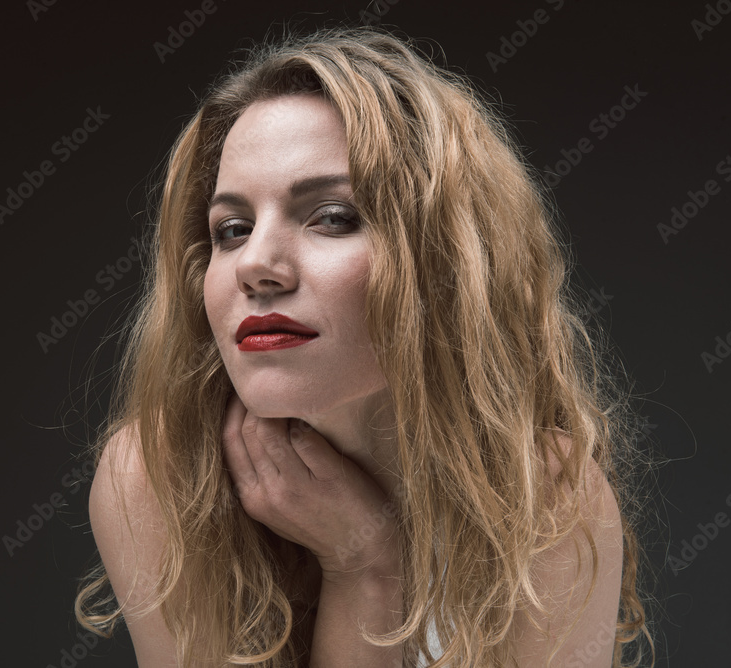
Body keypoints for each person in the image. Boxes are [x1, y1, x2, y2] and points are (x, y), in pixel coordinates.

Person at [75, 25, 657, 668]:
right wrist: (366, 571)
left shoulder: (543, 492)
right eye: (232, 229)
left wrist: (364, 558)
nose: (256, 265)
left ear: (447, 263)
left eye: (333, 217)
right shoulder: (158, 476)